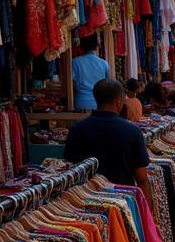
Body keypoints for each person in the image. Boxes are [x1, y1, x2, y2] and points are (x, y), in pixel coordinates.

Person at [65, 79, 159, 225]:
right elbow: (141, 178)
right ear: (118, 102)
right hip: (122, 205)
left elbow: (70, 169)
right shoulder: (132, 131)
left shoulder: (76, 129)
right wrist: (146, 213)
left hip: (86, 208)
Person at [71, 32, 110, 111]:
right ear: (96, 45)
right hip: (99, 105)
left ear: (81, 45)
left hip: (81, 104)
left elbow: (72, 84)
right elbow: (108, 85)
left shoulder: (75, 62)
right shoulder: (104, 63)